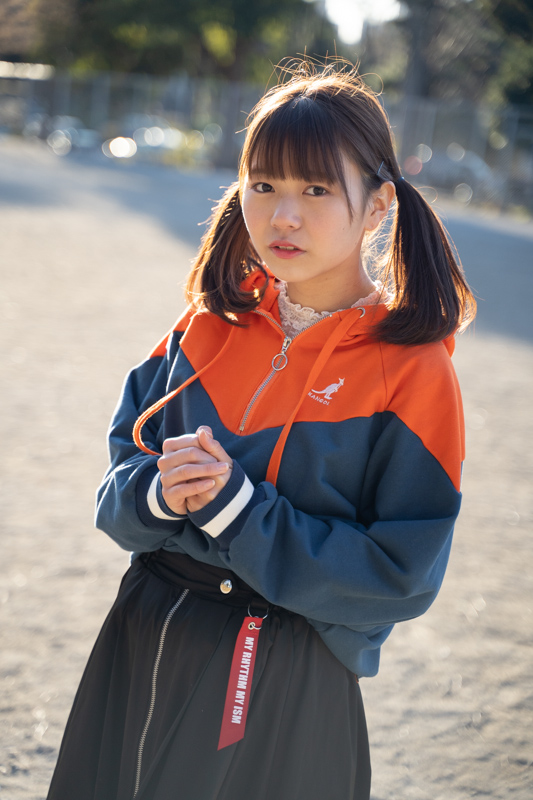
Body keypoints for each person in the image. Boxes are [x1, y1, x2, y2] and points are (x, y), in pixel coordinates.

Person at [47, 61, 476, 800]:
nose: (283, 216)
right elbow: (116, 496)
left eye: (316, 190)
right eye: (264, 184)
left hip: (283, 676)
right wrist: (161, 494)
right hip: (144, 638)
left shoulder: (413, 370)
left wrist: (242, 515)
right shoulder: (206, 323)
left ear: (378, 206)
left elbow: (400, 577)